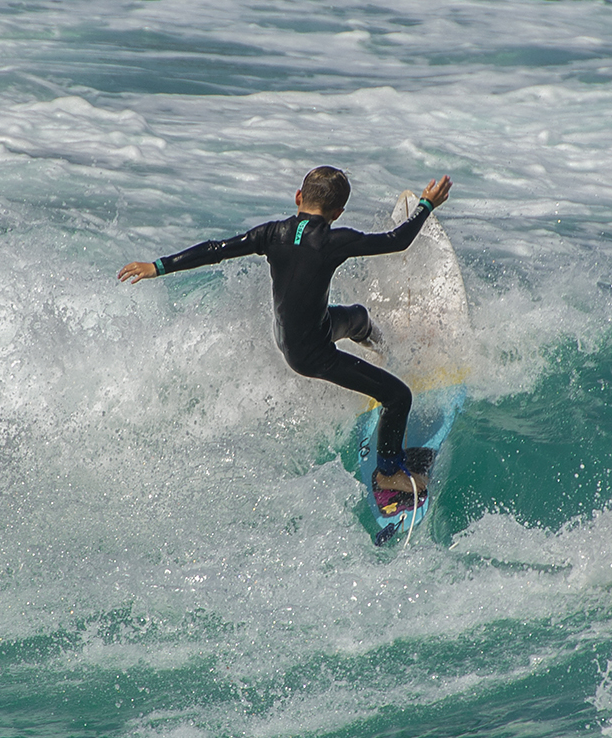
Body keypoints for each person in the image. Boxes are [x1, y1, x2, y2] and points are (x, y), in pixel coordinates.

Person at [118, 166, 451, 507]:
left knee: (357, 318)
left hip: (299, 335)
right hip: (313, 354)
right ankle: (388, 473)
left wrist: (157, 266)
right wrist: (426, 205)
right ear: (338, 213)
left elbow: (215, 249)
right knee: (398, 396)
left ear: (298, 198)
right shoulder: (336, 240)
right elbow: (398, 241)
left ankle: (384, 349)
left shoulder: (270, 233)